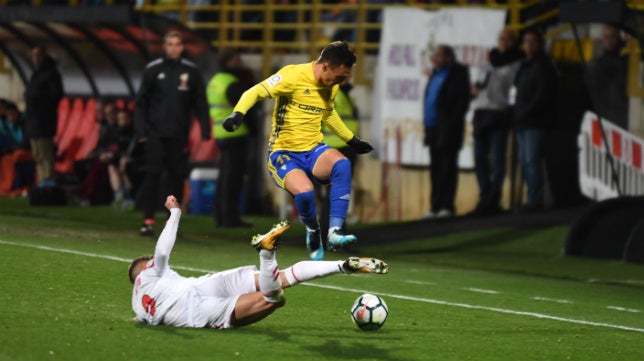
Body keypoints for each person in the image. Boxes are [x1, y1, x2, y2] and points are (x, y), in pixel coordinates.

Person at [129, 195, 388, 329]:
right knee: (280, 281)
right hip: (199, 293)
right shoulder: (149, 273)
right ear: (143, 267)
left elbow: (142, 317)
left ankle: (267, 255)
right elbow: (162, 253)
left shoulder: (138, 305)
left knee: (274, 297)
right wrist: (174, 212)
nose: (153, 260)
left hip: (195, 306)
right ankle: (340, 266)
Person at [221, 41, 374, 260]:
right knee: (304, 192)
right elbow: (254, 92)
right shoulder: (292, 76)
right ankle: (312, 231)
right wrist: (238, 114)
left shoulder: (332, 84)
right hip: (284, 153)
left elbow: (328, 112)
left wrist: (351, 140)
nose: (343, 81)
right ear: (325, 66)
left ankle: (334, 232)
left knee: (342, 164)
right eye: (340, 76)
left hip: (313, 149)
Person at [134, 30, 211, 236]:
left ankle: (172, 225)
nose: (174, 48)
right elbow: (141, 103)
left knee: (176, 178)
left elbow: (200, 103)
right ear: (164, 46)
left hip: (179, 134)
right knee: (152, 176)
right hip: (154, 134)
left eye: (177, 44)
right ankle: (148, 220)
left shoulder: (191, 72)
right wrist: (141, 130)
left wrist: (205, 129)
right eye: (170, 44)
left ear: (182, 47)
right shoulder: (153, 70)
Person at [470, 30, 523, 216]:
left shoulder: (517, 63)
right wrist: (475, 89)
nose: (504, 42)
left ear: (514, 42)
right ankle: (485, 196)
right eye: (501, 39)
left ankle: (494, 198)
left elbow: (513, 90)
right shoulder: (488, 63)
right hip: (481, 112)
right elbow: (479, 83)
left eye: (508, 39)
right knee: (479, 158)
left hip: (499, 112)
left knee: (498, 158)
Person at [207, 48, 256, 228]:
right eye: (236, 59)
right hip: (236, 134)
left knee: (223, 178)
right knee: (233, 179)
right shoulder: (232, 83)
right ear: (229, 61)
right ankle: (230, 218)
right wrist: (254, 129)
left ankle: (220, 217)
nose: (240, 63)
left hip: (220, 133)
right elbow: (245, 109)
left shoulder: (214, 81)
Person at [421, 44, 471, 219]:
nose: (435, 57)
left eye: (439, 54)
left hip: (448, 129)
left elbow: (461, 103)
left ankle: (447, 206)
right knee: (435, 169)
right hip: (433, 129)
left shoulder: (458, 73)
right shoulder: (435, 73)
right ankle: (434, 206)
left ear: (448, 57)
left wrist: (451, 125)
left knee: (448, 168)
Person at [512, 30, 557, 213]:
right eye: (525, 41)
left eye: (532, 41)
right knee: (524, 160)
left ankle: (535, 199)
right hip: (522, 121)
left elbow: (542, 94)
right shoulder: (524, 66)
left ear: (539, 44)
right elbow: (515, 90)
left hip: (535, 121)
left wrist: (525, 111)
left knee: (532, 160)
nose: (528, 45)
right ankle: (531, 197)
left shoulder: (543, 65)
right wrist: (515, 111)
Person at [315, 80, 359, 245]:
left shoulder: (341, 92)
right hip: (336, 147)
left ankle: (332, 234)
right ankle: (334, 235)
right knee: (337, 193)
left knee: (335, 193)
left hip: (343, 147)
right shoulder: (331, 92)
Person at [24, 45, 64, 186]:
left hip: (43, 121)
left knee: (45, 153)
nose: (36, 58)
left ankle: (49, 181)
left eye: (38, 55)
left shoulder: (51, 74)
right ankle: (42, 181)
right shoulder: (36, 74)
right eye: (34, 55)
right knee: (37, 154)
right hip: (33, 121)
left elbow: (56, 95)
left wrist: (38, 101)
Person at [586, 25, 629, 129]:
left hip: (622, 116)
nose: (609, 41)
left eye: (612, 37)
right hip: (606, 115)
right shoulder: (600, 62)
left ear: (618, 38)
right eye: (606, 37)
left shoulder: (626, 58)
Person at [0, 102, 34, 196]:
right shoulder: (6, 126)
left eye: (12, 113)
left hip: (27, 152)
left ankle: (13, 186)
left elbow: (27, 142)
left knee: (15, 157)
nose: (11, 117)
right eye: (9, 115)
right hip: (15, 151)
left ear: (17, 112)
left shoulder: (25, 123)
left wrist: (12, 149)